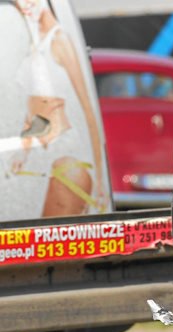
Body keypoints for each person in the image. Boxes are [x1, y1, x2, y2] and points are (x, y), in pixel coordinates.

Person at [11, 0, 107, 217]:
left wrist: (101, 179)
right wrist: (23, 152)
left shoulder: (59, 39)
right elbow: (33, 110)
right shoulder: (35, 41)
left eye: (27, 0)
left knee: (49, 241)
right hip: (40, 153)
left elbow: (88, 108)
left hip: (66, 152)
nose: (24, 7)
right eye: (19, 4)